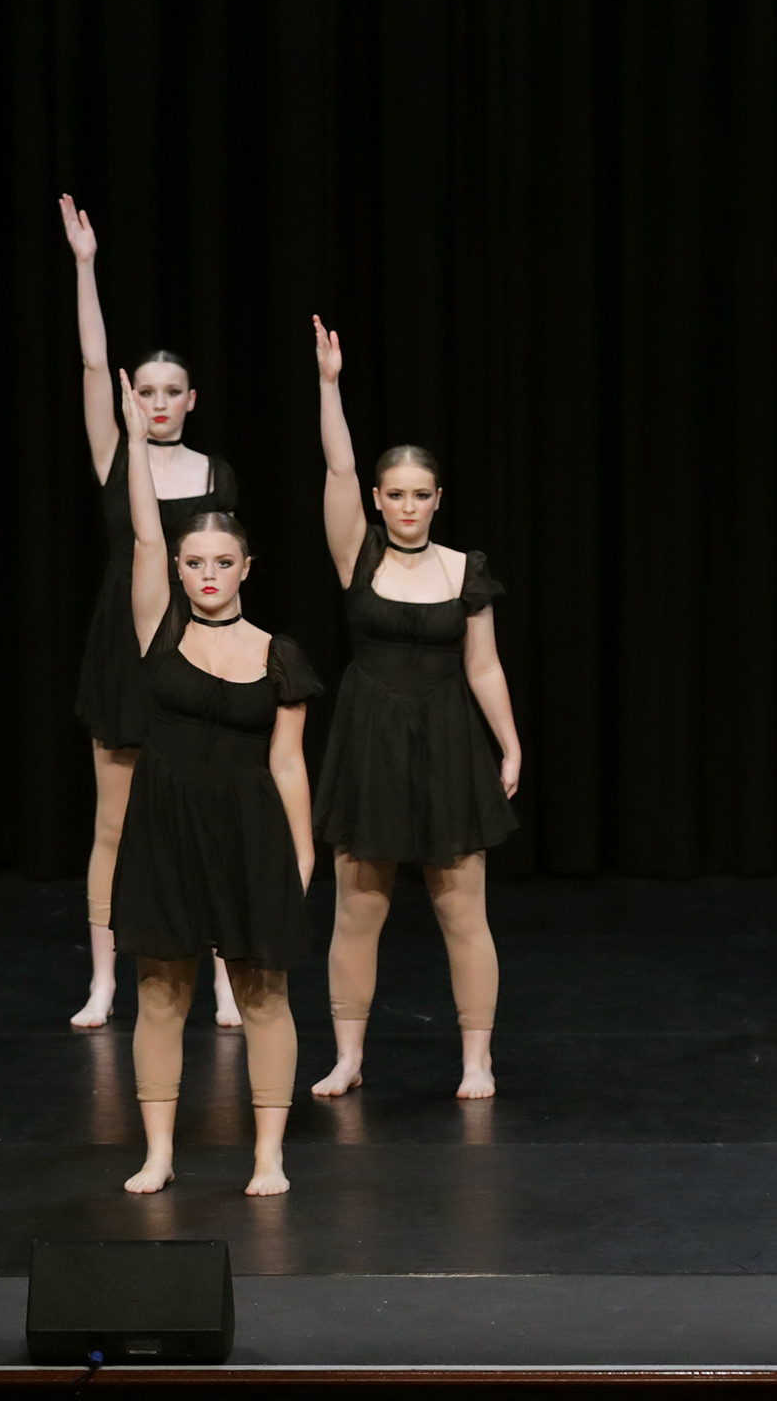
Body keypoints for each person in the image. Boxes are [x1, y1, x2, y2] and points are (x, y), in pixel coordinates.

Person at [108, 374, 320, 1196]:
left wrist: (303, 853)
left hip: (248, 828)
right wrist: (135, 441)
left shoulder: (278, 654)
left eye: (221, 562)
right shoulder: (159, 625)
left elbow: (288, 762)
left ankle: (268, 1154)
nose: (206, 574)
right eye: (194, 562)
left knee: (263, 991)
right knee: (161, 990)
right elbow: (143, 535)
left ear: (245, 569)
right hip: (165, 825)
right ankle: (159, 1152)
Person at [303, 317, 524, 1101]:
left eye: (419, 495)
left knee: (463, 910)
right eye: (393, 494)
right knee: (357, 909)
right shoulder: (357, 554)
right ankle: (348, 1057)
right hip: (370, 740)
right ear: (377, 498)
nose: (406, 506)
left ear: (437, 500)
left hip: (447, 740)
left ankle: (477, 1059)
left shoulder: (465, 569)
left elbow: (483, 664)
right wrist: (330, 387)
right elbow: (337, 465)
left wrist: (510, 744)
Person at [61, 195, 246, 1032]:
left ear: (192, 399)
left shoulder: (214, 474)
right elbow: (92, 363)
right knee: (115, 821)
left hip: (195, 646)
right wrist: (86, 266)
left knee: (205, 819)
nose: (158, 402)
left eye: (172, 392)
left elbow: (226, 572)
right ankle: (105, 981)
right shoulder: (114, 452)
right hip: (122, 646)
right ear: (131, 398)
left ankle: (223, 979)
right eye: (146, 391)